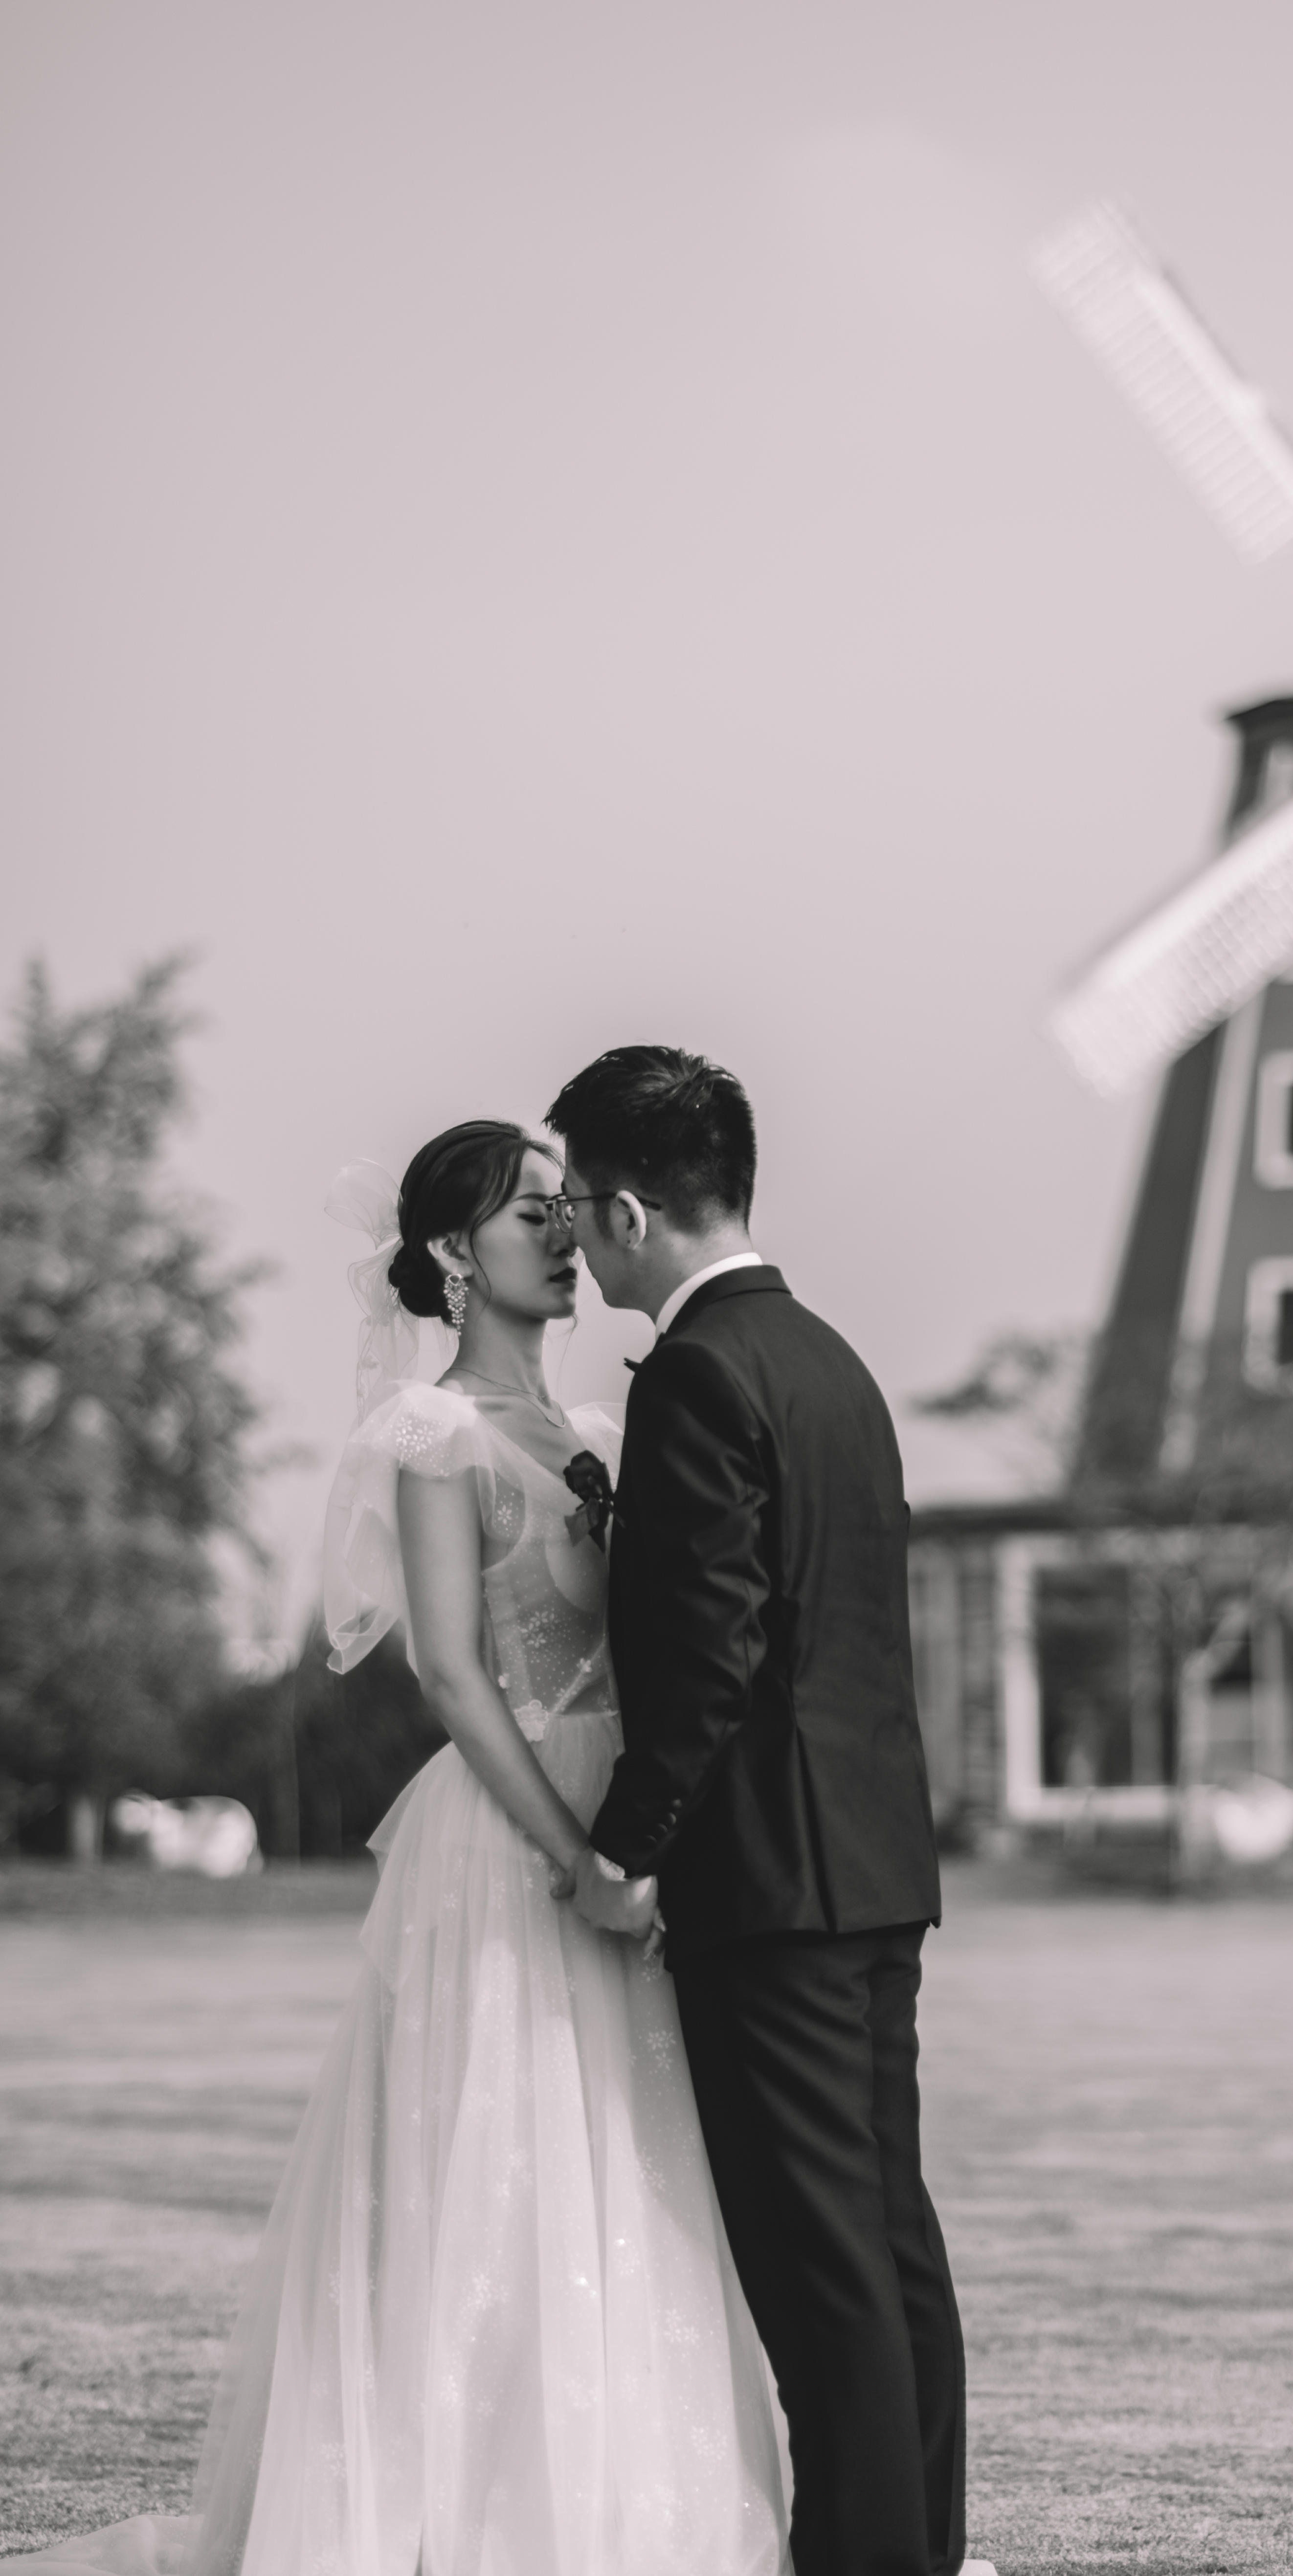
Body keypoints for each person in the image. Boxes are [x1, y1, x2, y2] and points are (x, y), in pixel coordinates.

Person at [17, 1121, 791, 2576]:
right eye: (529, 1214)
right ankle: (472, 2508)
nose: (565, 1234)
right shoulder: (433, 1436)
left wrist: (653, 1835)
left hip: (634, 1815)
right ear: (451, 1252)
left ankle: (639, 2498)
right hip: (515, 1831)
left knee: (638, 2146)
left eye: (568, 1208)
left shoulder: (607, 1432)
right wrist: (579, 1855)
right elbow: (450, 1671)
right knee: (501, 2151)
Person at [545, 1046, 986, 2576]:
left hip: (770, 1886)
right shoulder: (830, 1361)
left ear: (627, 1211)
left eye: (577, 1209)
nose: (574, 1240)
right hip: (873, 1866)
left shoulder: (700, 1375)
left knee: (819, 2269)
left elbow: (710, 1651)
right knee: (890, 2239)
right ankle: (921, 2551)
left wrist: (626, 1849)